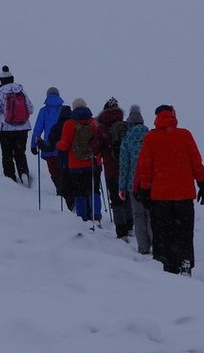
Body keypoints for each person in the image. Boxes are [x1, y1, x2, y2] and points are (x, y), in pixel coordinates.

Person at [133, 105, 204, 275]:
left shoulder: (151, 138)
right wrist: (202, 183)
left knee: (163, 234)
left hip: (160, 198)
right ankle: (185, 261)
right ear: (174, 116)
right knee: (184, 232)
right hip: (184, 196)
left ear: (156, 117)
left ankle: (166, 266)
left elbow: (145, 167)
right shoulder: (185, 135)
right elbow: (196, 162)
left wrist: (144, 188)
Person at [92, 97, 132, 239]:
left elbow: (95, 149)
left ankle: (121, 232)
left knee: (116, 200)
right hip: (127, 169)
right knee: (127, 197)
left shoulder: (102, 128)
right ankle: (130, 226)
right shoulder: (125, 125)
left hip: (111, 169)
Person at [0, 67, 35, 186]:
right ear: (12, 79)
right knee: (20, 153)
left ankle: (10, 180)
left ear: (1, 80)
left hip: (5, 129)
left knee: (7, 155)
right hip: (23, 128)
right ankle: (24, 174)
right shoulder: (21, 91)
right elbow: (31, 109)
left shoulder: (0, 93)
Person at [57, 97, 100, 220]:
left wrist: (58, 144)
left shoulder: (70, 124)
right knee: (94, 190)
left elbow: (65, 145)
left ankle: (82, 216)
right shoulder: (93, 123)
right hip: (93, 162)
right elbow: (98, 142)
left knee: (79, 192)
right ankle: (96, 214)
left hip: (76, 165)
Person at [118, 105, 152, 255]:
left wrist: (122, 186)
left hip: (133, 183)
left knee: (138, 215)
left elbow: (124, 164)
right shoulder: (150, 136)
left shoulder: (127, 139)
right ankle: (156, 245)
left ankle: (143, 247)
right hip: (150, 182)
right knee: (151, 214)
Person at [30, 87, 65, 195]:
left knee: (54, 171)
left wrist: (33, 145)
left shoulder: (44, 111)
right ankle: (65, 191)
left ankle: (60, 189)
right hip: (63, 146)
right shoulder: (64, 110)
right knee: (63, 170)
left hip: (49, 146)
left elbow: (38, 129)